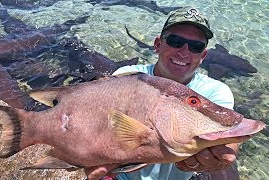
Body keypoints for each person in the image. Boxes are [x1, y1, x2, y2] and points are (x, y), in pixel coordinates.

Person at [85, 6, 240, 180]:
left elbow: (227, 135)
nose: (183, 52)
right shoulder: (127, 76)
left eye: (196, 46)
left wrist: (222, 155)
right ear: (158, 44)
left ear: (203, 56)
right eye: (175, 41)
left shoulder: (215, 92)